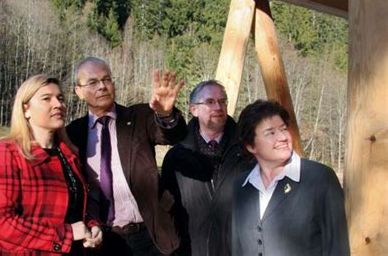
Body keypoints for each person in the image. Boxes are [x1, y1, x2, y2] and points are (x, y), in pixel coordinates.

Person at [66, 57, 187, 256]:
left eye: (107, 79)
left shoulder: (139, 116)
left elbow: (173, 135)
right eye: (93, 82)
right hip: (101, 239)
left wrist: (166, 115)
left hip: (150, 235)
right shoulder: (73, 134)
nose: (103, 86)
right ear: (78, 91)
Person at [0, 74, 103, 255]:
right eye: (47, 98)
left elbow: (80, 206)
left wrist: (93, 226)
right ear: (26, 110)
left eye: (60, 99)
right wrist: (66, 235)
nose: (58, 104)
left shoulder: (70, 154)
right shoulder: (5, 152)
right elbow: (0, 222)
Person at [231, 100, 350, 256]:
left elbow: (337, 248)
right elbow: (237, 248)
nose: (282, 137)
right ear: (251, 146)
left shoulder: (320, 179)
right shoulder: (241, 186)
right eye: (271, 133)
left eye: (283, 129)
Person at [161, 80, 251, 256]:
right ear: (193, 109)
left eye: (222, 101)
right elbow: (168, 211)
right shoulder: (177, 157)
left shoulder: (247, 152)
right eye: (210, 101)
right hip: (192, 249)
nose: (218, 106)